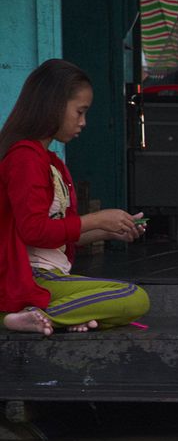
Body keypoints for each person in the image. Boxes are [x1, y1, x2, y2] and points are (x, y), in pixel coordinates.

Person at [0, 59, 150, 335]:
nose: (83, 122)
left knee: (118, 306)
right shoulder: (24, 157)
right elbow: (34, 231)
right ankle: (22, 315)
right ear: (53, 105)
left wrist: (109, 230)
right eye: (80, 112)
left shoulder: (51, 162)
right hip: (31, 277)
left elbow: (60, 234)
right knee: (133, 296)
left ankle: (48, 317)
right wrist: (97, 219)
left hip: (53, 276)